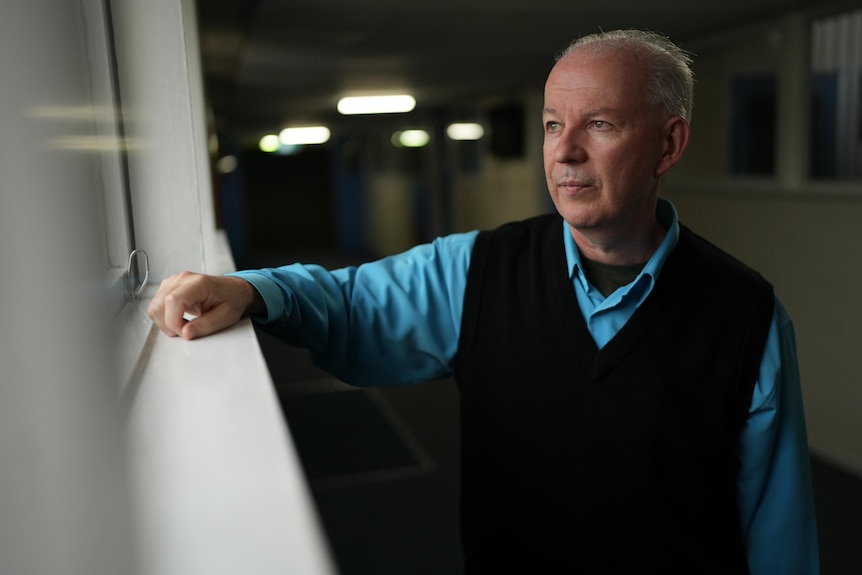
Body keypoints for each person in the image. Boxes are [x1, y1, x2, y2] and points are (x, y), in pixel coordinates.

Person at [149, 29, 819, 574]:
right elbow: (350, 301)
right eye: (554, 124)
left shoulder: (746, 315)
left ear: (668, 144)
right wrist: (253, 290)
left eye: (601, 124)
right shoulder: (478, 271)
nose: (565, 151)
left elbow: (777, 527)